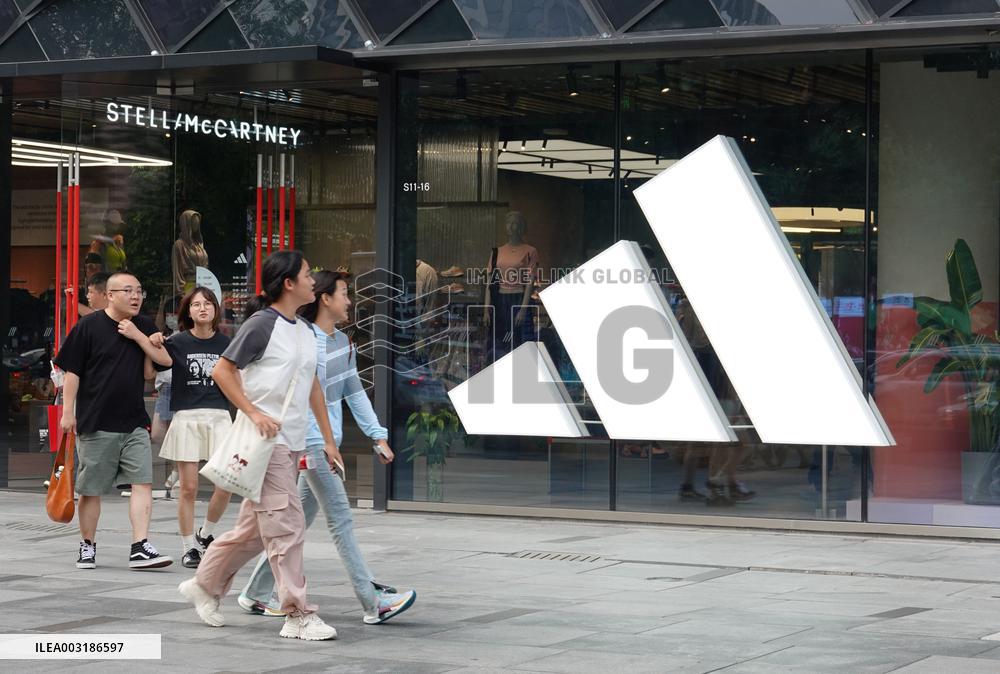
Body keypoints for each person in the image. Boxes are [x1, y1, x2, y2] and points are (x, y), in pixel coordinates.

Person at [178, 250, 341, 642]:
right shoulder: (262, 325)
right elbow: (222, 369)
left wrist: (329, 441)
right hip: (267, 442)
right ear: (288, 283)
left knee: (253, 532)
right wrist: (253, 412)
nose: (312, 280)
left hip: (287, 444)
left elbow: (312, 386)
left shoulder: (302, 329)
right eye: (306, 273)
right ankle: (298, 614)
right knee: (287, 527)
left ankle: (204, 584)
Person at [239, 270, 416, 625]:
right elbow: (303, 396)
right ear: (325, 299)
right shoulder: (307, 340)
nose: (350, 301)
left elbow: (354, 390)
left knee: (293, 524)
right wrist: (314, 443)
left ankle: (255, 592)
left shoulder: (343, 342)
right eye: (345, 294)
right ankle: (372, 601)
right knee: (341, 521)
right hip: (311, 442)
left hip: (324, 443)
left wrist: (377, 435)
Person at [53, 271, 174, 570]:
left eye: (139, 290)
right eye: (128, 290)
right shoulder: (88, 327)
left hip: (134, 421)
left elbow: (164, 362)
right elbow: (72, 373)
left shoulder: (143, 325)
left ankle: (140, 546)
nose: (135, 296)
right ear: (109, 295)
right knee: (92, 489)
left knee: (142, 482)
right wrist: (68, 412)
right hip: (96, 421)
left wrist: (139, 336)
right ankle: (87, 545)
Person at [153, 287, 234, 568]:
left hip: (220, 417)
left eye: (208, 304)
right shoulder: (176, 343)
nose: (202, 309)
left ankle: (206, 533)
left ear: (215, 309)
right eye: (196, 304)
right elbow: (155, 366)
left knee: (226, 483)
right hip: (187, 417)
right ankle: (188, 547)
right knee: (188, 487)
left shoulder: (228, 344)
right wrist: (152, 341)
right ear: (188, 311)